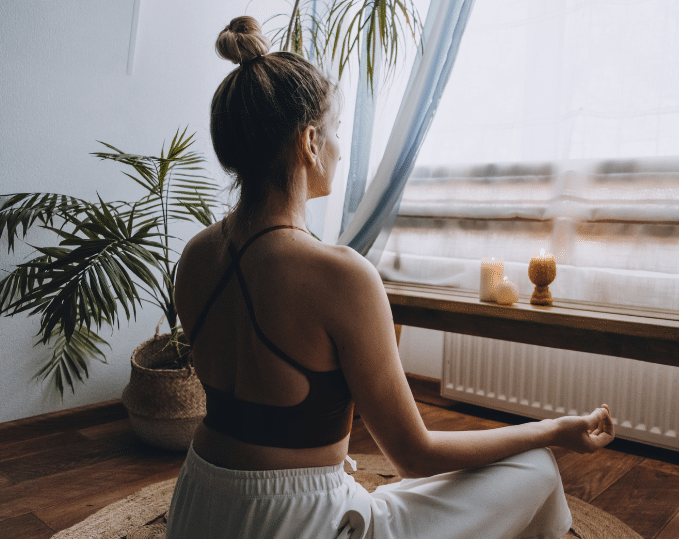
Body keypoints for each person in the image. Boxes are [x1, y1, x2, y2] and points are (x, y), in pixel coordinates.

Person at [166, 15, 615, 539]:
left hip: (199, 508)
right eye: (334, 131)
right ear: (309, 142)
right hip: (296, 525)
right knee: (535, 466)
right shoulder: (340, 275)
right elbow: (415, 454)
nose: (339, 146)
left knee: (391, 496)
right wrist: (553, 430)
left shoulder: (195, 257)